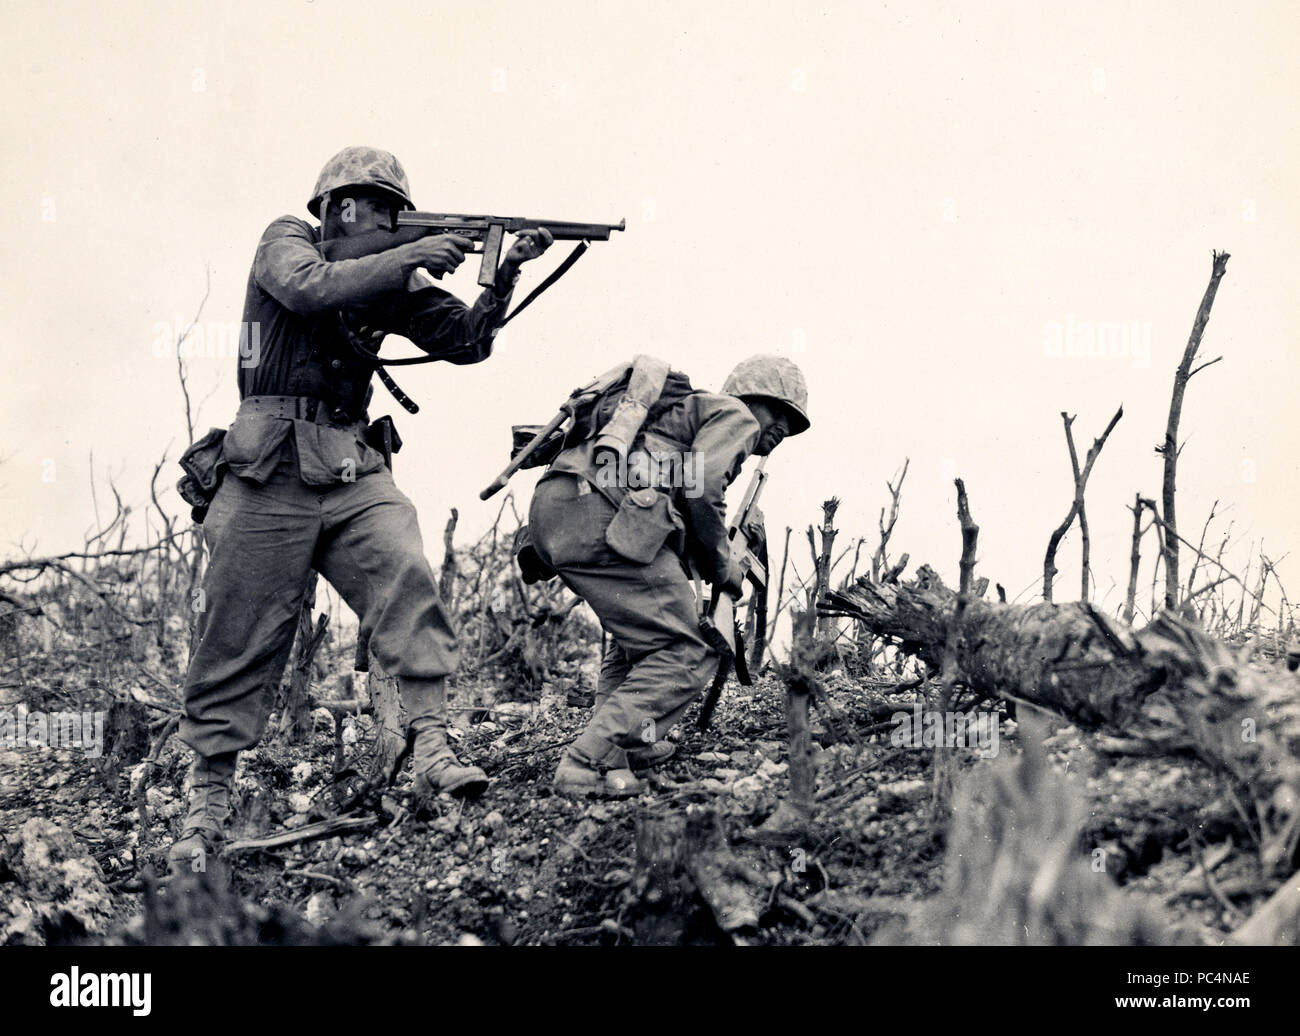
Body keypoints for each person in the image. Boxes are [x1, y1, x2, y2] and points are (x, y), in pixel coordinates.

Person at [169, 146, 553, 870]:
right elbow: (311, 288)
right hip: (268, 469)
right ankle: (206, 808)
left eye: (397, 213)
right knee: (236, 633)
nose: (391, 221)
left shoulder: (392, 278)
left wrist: (504, 272)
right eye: (383, 210)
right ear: (342, 207)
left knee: (404, 566)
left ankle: (433, 744)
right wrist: (413, 250)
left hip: (348, 464)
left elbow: (465, 342)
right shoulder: (288, 239)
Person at [525, 355, 810, 797]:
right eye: (781, 413)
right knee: (687, 650)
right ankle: (591, 761)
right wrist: (724, 566)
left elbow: (679, 495)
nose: (783, 431)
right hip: (600, 509)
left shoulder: (680, 420)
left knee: (636, 641)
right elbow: (703, 487)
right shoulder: (734, 414)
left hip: (558, 507)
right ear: (752, 398)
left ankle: (631, 747)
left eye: (793, 427)